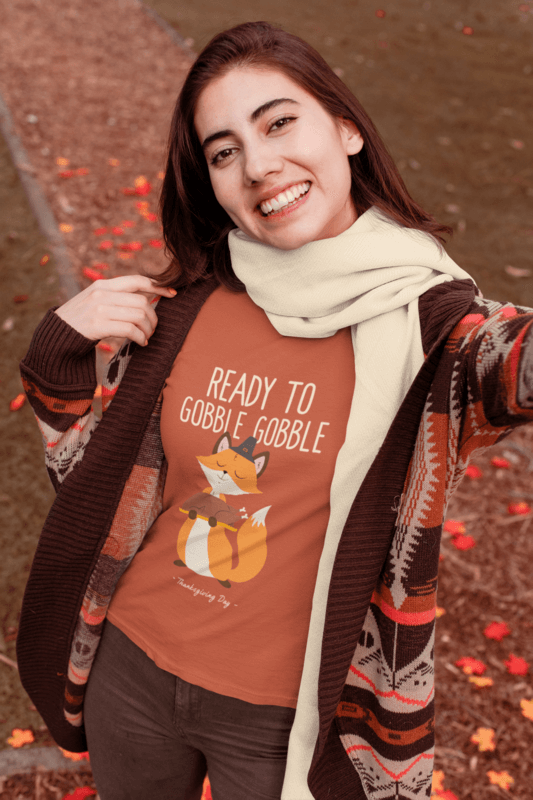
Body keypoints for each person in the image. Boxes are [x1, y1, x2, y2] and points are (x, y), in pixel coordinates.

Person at [17, 20, 533, 800]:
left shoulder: (437, 331)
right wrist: (57, 359)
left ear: (347, 128)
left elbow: (515, 370)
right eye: (223, 151)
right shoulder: (190, 301)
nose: (258, 166)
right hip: (133, 670)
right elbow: (95, 491)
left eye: (279, 122)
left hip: (286, 715)